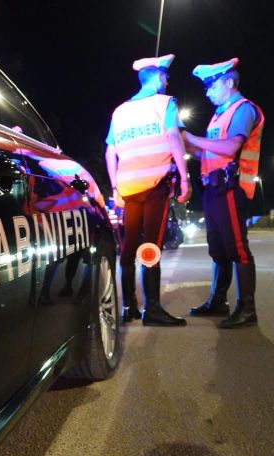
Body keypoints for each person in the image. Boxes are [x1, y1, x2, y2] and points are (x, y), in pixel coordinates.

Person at [105, 54, 192, 326]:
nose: (167, 82)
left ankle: (128, 306)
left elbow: (110, 152)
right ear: (157, 77)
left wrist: (115, 187)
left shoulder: (120, 111)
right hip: (155, 186)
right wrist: (185, 179)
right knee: (152, 244)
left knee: (129, 246)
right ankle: (152, 309)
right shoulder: (165, 103)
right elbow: (174, 138)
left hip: (128, 189)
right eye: (166, 77)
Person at [183, 58, 264, 328]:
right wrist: (186, 143)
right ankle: (218, 301)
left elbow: (230, 148)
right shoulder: (218, 116)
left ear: (229, 82)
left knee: (238, 248)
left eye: (212, 86)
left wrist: (192, 139)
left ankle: (247, 309)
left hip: (231, 186)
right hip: (213, 187)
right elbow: (208, 152)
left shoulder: (243, 109)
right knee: (217, 248)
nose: (207, 93)